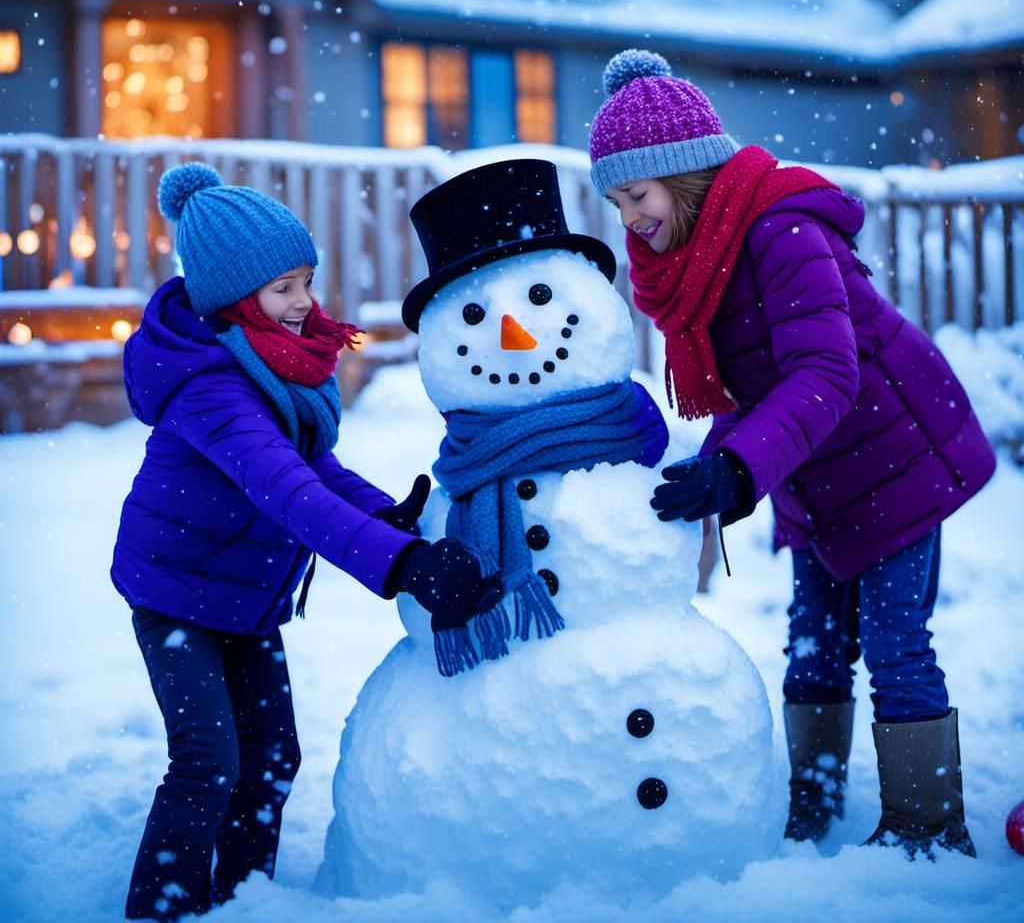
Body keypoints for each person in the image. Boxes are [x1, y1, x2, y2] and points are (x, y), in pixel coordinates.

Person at [588, 49, 996, 858]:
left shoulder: (780, 230)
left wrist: (739, 470)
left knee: (893, 642)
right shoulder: (700, 259)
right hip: (819, 472)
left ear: (686, 176)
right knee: (812, 642)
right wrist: (711, 468)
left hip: (897, 459)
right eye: (616, 201)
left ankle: (925, 828)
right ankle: (811, 807)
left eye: (636, 195)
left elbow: (824, 370)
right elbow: (745, 388)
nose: (628, 216)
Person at [111, 162, 500, 921]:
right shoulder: (212, 388)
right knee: (206, 761)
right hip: (176, 595)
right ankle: (160, 908)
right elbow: (284, 490)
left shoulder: (264, 361)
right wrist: (404, 564)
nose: (305, 303)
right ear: (231, 294)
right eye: (284, 287)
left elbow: (311, 464)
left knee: (274, 757)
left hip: (245, 594)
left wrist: (389, 516)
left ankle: (242, 899)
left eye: (306, 281)